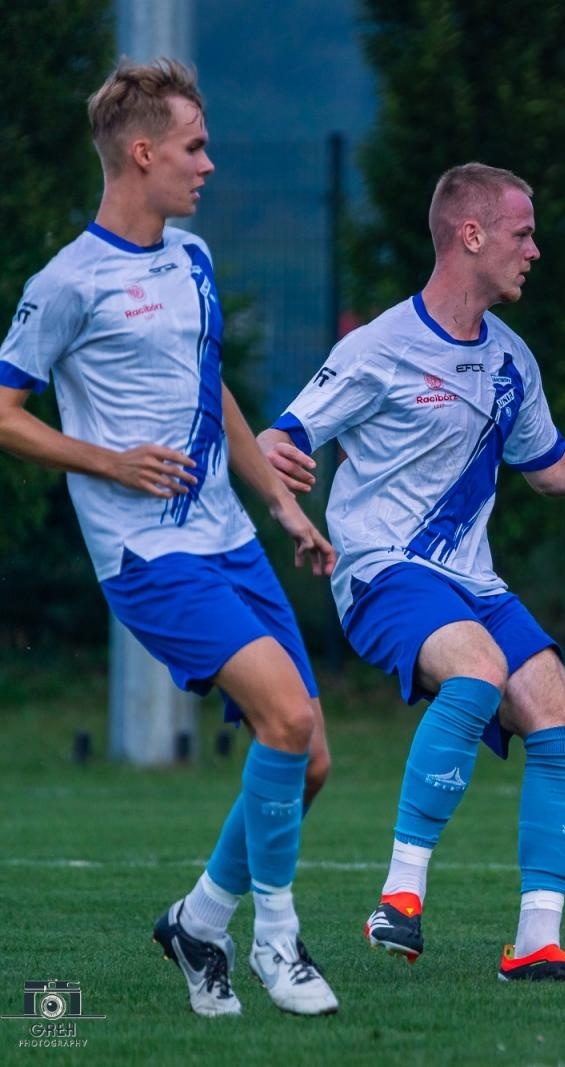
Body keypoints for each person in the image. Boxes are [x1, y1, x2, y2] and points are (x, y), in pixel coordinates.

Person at [258, 162, 565, 982]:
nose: (536, 250)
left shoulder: (512, 358)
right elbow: (282, 434)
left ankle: (537, 940)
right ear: (470, 236)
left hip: (470, 581)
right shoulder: (377, 348)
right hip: (381, 570)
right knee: (476, 669)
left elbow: (549, 466)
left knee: (561, 716)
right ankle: (400, 897)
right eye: (522, 233)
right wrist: (280, 469)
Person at [0, 60, 339, 1017]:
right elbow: (4, 413)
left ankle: (198, 920)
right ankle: (278, 939)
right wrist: (109, 463)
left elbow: (209, 385)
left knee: (307, 757)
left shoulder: (191, 258)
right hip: (147, 558)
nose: (210, 164)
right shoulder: (65, 281)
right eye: (194, 147)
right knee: (285, 716)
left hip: (230, 537)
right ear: (142, 153)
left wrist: (276, 497)